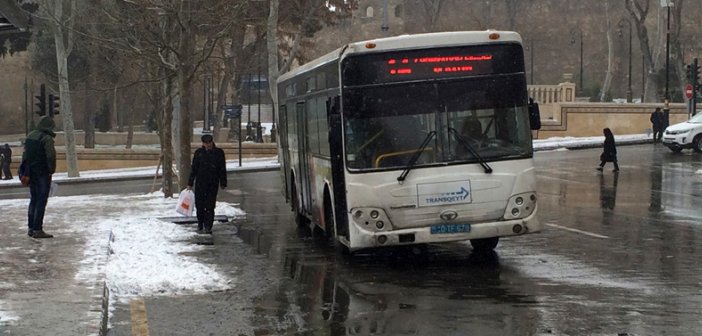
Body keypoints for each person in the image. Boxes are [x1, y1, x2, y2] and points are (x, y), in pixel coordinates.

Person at [24, 116, 57, 238]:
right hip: (42, 173)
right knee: (41, 201)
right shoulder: (46, 138)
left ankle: (31, 228)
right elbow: (50, 156)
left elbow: (25, 155)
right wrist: (51, 170)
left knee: (33, 199)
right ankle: (38, 229)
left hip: (31, 172)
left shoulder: (30, 136)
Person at [187, 134, 227, 234]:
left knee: (210, 205)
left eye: (209, 142)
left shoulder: (218, 153)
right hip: (200, 183)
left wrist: (223, 182)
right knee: (199, 205)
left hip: (212, 183)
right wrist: (190, 183)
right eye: (206, 143)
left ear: (212, 142)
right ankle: (200, 223)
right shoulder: (199, 153)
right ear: (203, 143)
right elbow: (194, 169)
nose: (208, 144)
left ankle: (208, 225)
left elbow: (222, 168)